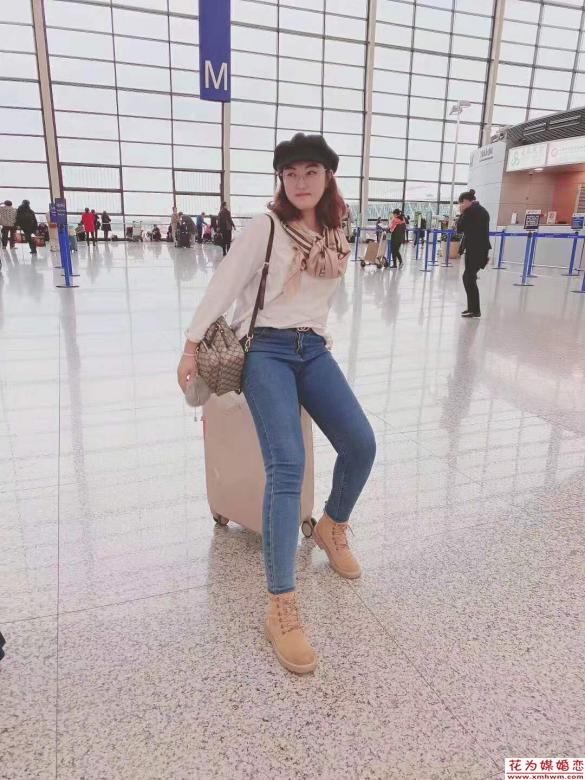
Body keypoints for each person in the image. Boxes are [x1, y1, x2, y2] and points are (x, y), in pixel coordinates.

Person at [177, 132, 376, 675]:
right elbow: (225, 284)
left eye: (311, 172)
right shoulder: (265, 226)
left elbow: (317, 300)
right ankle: (281, 606)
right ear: (281, 180)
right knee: (288, 464)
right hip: (265, 349)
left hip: (313, 349)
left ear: (328, 176)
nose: (300, 182)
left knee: (361, 444)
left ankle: (332, 525)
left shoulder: (337, 229)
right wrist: (191, 345)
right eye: (291, 173)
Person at [457, 188, 491, 319]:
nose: (461, 205)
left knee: (469, 278)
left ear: (467, 201)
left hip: (476, 250)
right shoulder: (479, 210)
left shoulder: (472, 211)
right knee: (468, 278)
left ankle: (475, 310)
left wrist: (462, 213)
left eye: (462, 202)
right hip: (476, 249)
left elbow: (460, 228)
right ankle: (472, 308)